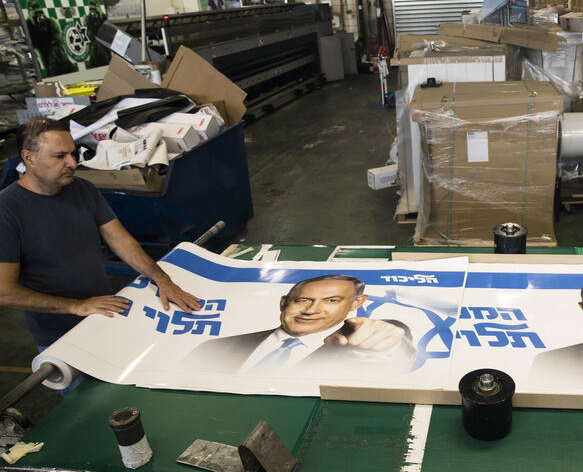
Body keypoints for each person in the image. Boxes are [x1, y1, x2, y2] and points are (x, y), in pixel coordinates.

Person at [0, 118, 202, 352]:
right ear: (29, 158)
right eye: (60, 156)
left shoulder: (82, 189)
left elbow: (122, 242)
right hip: (61, 335)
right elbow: (4, 292)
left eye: (73, 154)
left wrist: (162, 279)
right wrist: (77, 306)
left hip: (104, 313)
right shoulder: (7, 210)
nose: (72, 163)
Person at [183, 275, 416, 375]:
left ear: (357, 303)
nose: (311, 310)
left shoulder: (356, 339)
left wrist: (386, 345)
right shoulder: (214, 347)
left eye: (332, 301)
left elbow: (394, 349)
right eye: (303, 300)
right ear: (284, 302)